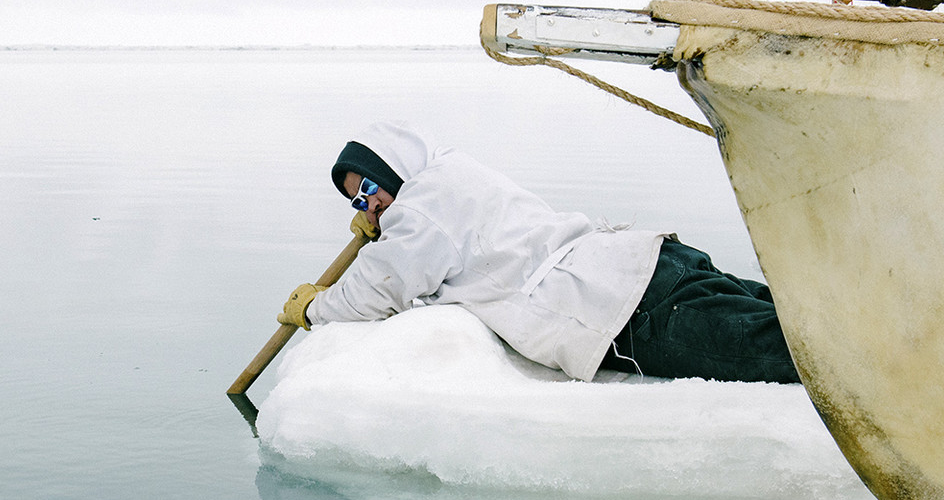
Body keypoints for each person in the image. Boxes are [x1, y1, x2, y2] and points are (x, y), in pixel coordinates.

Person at [276, 121, 800, 384]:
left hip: (624, 310)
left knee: (793, 355)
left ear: (389, 169)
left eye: (369, 188)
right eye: (358, 201)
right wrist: (386, 226)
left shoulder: (421, 212)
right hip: (645, 264)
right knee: (799, 318)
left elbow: (379, 290)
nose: (370, 204)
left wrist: (314, 307)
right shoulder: (448, 173)